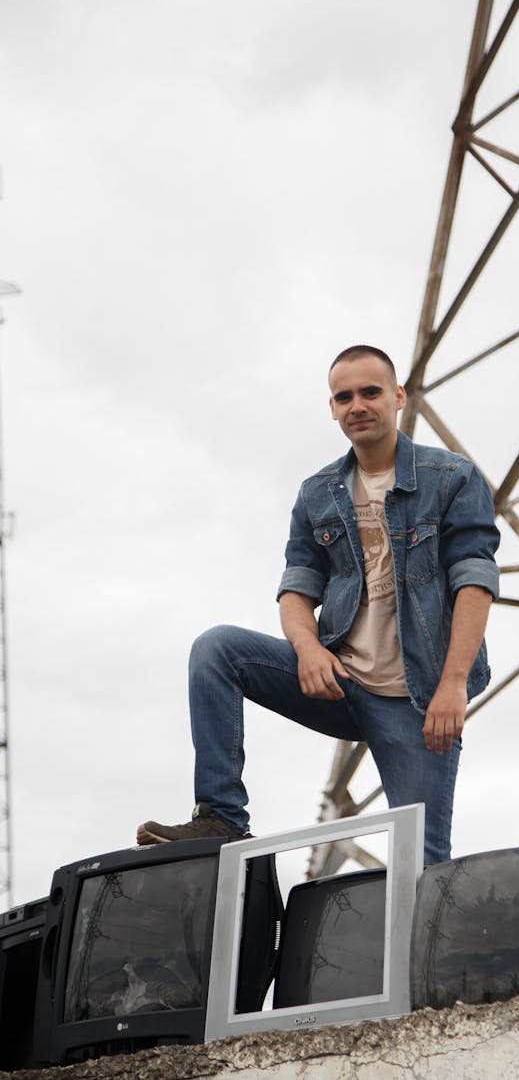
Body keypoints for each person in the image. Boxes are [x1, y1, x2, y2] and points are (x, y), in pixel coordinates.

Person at [137, 345, 500, 864]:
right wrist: (306, 648)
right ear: (332, 407)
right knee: (216, 650)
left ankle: (422, 944)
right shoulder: (318, 494)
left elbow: (475, 579)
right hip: (341, 681)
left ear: (398, 397)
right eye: (344, 396)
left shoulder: (452, 478)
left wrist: (453, 683)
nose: (357, 405)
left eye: (370, 392)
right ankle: (221, 817)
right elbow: (296, 588)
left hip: (417, 701)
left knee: (423, 865)